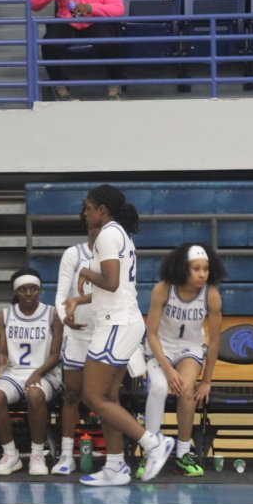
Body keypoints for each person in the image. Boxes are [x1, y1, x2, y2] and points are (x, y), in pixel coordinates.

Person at [64, 184, 174, 486]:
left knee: (93, 396)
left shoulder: (107, 235)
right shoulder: (119, 234)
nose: (85, 213)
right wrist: (80, 299)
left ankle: (153, 443)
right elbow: (118, 288)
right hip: (120, 321)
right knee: (108, 397)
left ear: (102, 210)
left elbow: (110, 282)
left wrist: (85, 272)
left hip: (117, 325)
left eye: (89, 208)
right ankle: (115, 467)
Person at [136, 242, 224, 479]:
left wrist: (207, 380)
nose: (202, 274)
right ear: (183, 269)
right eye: (196, 269)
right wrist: (168, 369)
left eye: (205, 269)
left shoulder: (211, 294)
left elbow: (215, 340)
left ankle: (183, 455)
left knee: (186, 390)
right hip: (160, 346)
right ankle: (150, 451)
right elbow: (151, 334)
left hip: (190, 347)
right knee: (159, 387)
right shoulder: (163, 289)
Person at [0, 268, 63, 476]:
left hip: (46, 372)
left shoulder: (53, 314)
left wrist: (37, 373)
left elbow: (55, 355)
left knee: (34, 394)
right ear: (15, 292)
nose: (28, 293)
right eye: (23, 289)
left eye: (33, 289)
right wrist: (0, 357)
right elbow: (1, 350)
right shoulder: (4, 315)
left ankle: (37, 454)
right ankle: (10, 454)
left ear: (40, 290)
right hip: (14, 373)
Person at [50, 217, 99, 475]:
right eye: (94, 226)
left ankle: (116, 457)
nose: (97, 231)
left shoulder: (117, 257)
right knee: (71, 395)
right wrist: (65, 318)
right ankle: (67, 455)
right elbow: (61, 295)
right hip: (78, 336)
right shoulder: (73, 254)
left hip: (106, 335)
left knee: (108, 398)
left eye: (102, 227)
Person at [30, 0, 124, 101]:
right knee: (50, 44)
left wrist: (91, 8)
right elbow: (33, 4)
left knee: (109, 42)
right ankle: (59, 85)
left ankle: (114, 83)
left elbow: (118, 9)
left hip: (96, 20)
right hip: (66, 22)